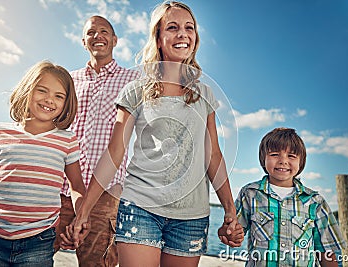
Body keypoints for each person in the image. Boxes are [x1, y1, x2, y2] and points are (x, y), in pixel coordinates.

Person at [65, 1, 243, 266]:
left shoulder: (205, 95)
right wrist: (85, 211)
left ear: (195, 38)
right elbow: (115, 153)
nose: (182, 34)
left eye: (189, 28)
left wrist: (230, 209)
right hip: (139, 207)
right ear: (158, 39)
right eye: (172, 28)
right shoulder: (136, 90)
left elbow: (213, 155)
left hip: (191, 216)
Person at [0, 60, 86, 267]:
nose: (49, 100)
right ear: (28, 90)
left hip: (38, 243)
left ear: (67, 103)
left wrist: (81, 217)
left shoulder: (67, 140)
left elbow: (77, 186)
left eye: (59, 96)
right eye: (42, 91)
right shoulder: (0, 131)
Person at [53, 15, 140, 266]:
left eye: (104, 31)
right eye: (91, 32)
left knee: (98, 263)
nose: (97, 36)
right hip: (58, 187)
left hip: (105, 192)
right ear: (83, 41)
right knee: (34, 256)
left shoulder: (132, 81)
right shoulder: (68, 80)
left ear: (115, 40)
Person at [233, 127, 345, 266]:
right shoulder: (250, 194)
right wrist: (230, 233)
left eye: (291, 156)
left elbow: (326, 251)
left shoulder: (315, 201)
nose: (283, 161)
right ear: (263, 159)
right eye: (274, 154)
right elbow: (234, 233)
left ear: (301, 162)